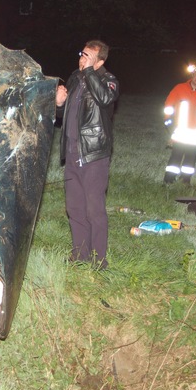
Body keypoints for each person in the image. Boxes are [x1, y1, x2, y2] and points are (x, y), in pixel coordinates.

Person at [55, 39, 119, 270]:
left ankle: (99, 260)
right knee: (75, 209)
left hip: (93, 155)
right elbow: (66, 116)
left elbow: (104, 99)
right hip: (72, 154)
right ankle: (80, 256)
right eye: (82, 53)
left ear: (100, 61)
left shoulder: (107, 80)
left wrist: (91, 71)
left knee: (94, 210)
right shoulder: (74, 78)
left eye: (89, 56)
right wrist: (59, 104)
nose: (82, 58)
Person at [162, 64, 196, 184]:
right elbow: (168, 107)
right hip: (180, 132)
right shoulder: (179, 88)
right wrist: (169, 124)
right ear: (192, 75)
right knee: (176, 156)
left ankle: (185, 181)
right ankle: (168, 180)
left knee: (190, 160)